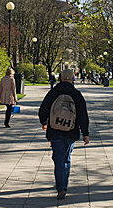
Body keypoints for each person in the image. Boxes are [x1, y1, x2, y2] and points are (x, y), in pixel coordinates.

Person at [38, 68, 90, 200]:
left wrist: (44, 122)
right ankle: (64, 186)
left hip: (55, 130)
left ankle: (60, 186)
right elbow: (83, 114)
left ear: (60, 78)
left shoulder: (53, 92)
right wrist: (85, 133)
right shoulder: (76, 94)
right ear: (73, 79)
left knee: (58, 159)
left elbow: (43, 109)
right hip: (71, 131)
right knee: (66, 158)